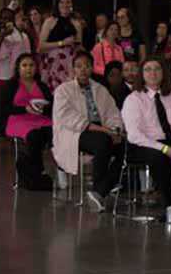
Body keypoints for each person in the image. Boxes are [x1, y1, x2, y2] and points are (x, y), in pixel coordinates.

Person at [120, 57, 171, 223]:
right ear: (142, 74)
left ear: (163, 73)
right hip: (142, 145)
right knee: (158, 158)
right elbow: (135, 135)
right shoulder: (134, 99)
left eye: (157, 69)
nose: (153, 73)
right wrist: (167, 150)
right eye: (148, 69)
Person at [53, 51, 124, 212]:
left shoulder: (100, 89)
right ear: (73, 70)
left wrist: (116, 130)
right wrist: (103, 130)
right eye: (79, 66)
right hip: (76, 133)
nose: (83, 70)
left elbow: (113, 113)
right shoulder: (63, 90)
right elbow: (67, 118)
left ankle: (99, 192)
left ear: (92, 68)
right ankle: (100, 188)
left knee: (126, 148)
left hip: (103, 130)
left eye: (87, 66)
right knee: (102, 141)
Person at [0, 53, 54, 190]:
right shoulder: (10, 85)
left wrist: (43, 107)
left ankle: (37, 169)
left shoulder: (42, 85)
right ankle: (37, 171)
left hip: (41, 119)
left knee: (55, 132)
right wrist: (25, 109)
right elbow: (5, 108)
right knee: (34, 135)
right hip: (17, 119)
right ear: (18, 68)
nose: (28, 68)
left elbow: (52, 105)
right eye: (24, 65)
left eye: (31, 65)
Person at [0, 8, 30, 138]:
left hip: (13, 75)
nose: (5, 21)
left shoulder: (22, 36)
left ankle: (12, 131)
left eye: (8, 18)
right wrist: (2, 36)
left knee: (13, 106)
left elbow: (26, 56)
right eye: (3, 18)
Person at [39, 0, 80, 91]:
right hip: (53, 62)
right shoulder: (49, 21)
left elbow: (79, 45)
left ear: (72, 5)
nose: (65, 5)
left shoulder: (76, 23)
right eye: (62, 2)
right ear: (57, 4)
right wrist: (62, 43)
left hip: (70, 63)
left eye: (68, 2)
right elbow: (41, 46)